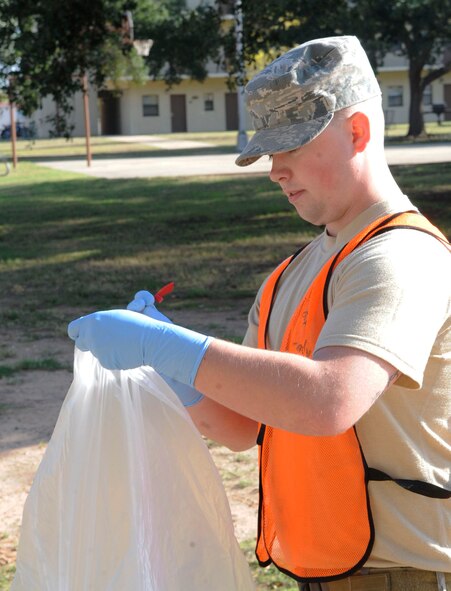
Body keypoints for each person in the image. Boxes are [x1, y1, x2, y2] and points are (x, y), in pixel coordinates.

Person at [68, 36, 451, 591]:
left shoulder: (401, 256)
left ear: (358, 132)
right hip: (325, 566)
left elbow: (327, 401)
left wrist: (168, 348)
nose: (275, 170)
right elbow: (244, 427)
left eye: (291, 147)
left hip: (407, 571)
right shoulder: (292, 273)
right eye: (270, 153)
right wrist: (176, 374)